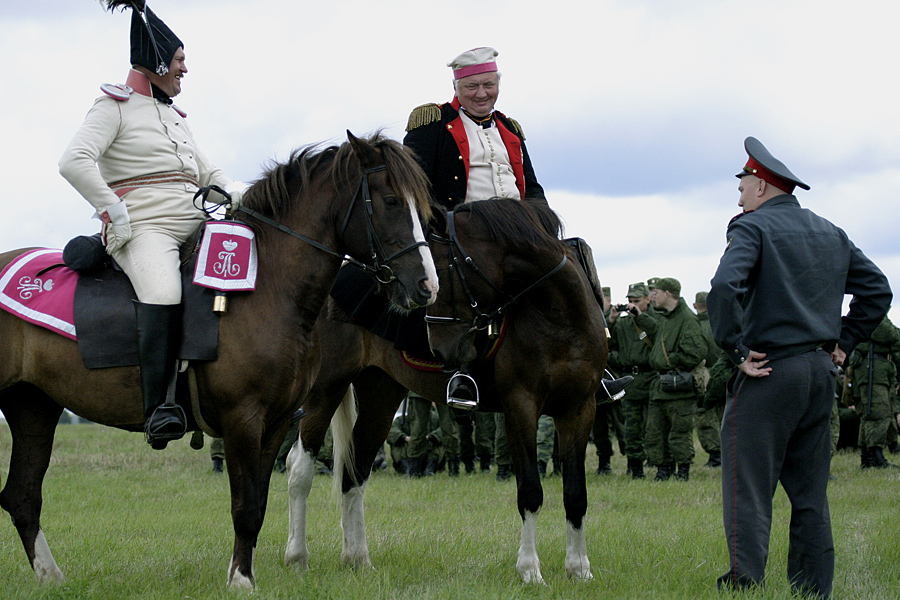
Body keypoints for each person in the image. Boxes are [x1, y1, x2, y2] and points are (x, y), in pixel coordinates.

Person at [707, 137, 892, 598]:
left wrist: (735, 349)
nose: (739, 196)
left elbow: (724, 287)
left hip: (769, 371)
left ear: (764, 187)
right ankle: (813, 588)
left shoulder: (751, 228)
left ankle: (744, 583)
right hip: (819, 374)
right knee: (811, 494)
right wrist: (843, 343)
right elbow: (878, 291)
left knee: (747, 488)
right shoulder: (831, 231)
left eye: (744, 186)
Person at [59, 1, 247, 449]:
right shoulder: (113, 106)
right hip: (144, 227)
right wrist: (113, 212)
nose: (186, 69)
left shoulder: (174, 117)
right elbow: (73, 161)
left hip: (195, 219)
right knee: (163, 291)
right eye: (180, 60)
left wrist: (242, 193)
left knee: (244, 268)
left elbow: (209, 173)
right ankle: (159, 406)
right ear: (159, 62)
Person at [403, 46, 629, 409]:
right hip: (460, 236)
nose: (481, 93)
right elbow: (413, 188)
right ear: (457, 87)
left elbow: (533, 189)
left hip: (516, 234)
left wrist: (540, 221)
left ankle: (596, 366)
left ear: (497, 84)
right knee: (469, 284)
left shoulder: (510, 128)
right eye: (472, 86)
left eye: (488, 85)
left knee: (574, 256)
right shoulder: (431, 124)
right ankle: (461, 372)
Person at [645, 277, 707, 481]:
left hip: (679, 386)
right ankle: (663, 469)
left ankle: (683, 471)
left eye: (656, 292)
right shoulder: (665, 318)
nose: (653, 296)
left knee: (679, 433)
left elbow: (695, 353)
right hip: (660, 386)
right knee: (655, 432)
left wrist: (667, 359)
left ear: (668, 294)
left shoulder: (688, 319)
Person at [606, 281, 660, 478]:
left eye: (637, 300)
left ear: (648, 299)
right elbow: (605, 342)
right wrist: (611, 320)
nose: (632, 304)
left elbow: (658, 333)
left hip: (651, 378)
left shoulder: (655, 318)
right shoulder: (623, 324)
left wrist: (641, 316)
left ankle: (658, 462)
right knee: (632, 428)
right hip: (630, 380)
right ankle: (635, 466)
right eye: (630, 301)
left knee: (653, 427)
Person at [847, 316, 900, 468]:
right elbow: (891, 334)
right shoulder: (876, 315)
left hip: (873, 371)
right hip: (873, 371)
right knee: (878, 413)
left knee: (869, 415)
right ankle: (876, 458)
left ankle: (868, 458)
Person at [693, 291, 724, 467]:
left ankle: (715, 455)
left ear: (695, 306)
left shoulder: (695, 326)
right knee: (724, 413)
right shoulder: (720, 324)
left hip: (704, 374)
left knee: (704, 415)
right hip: (726, 372)